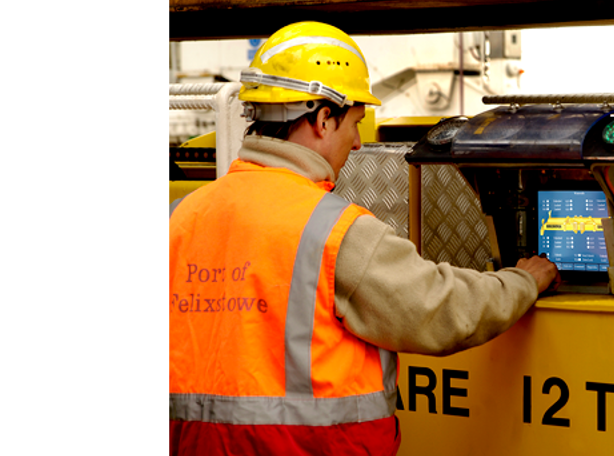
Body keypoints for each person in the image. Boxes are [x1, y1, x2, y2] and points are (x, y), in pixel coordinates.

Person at [166, 22, 558, 456]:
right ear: (323, 119)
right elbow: (443, 310)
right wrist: (523, 281)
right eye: (354, 123)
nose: (356, 144)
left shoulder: (179, 218)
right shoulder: (330, 230)